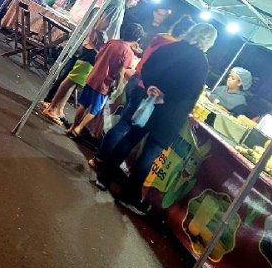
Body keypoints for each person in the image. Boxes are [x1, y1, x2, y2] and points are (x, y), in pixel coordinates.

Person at [104, 23, 218, 215]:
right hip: (170, 114)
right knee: (149, 154)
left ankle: (104, 176)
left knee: (130, 138)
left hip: (149, 103)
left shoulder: (171, 47)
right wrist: (165, 96)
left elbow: (148, 67)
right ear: (209, 42)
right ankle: (128, 195)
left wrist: (151, 87)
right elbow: (190, 92)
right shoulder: (201, 62)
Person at [89, 15, 195, 177]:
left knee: (123, 123)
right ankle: (103, 160)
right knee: (127, 128)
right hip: (146, 88)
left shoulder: (160, 37)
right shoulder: (174, 46)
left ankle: (100, 157)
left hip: (136, 80)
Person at [42, 0, 145, 106]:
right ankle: (51, 104)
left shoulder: (117, 2)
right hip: (94, 47)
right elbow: (100, 28)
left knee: (75, 77)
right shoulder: (117, 4)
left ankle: (56, 106)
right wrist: (102, 47)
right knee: (73, 77)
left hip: (93, 46)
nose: (135, 4)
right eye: (136, 0)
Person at [66, 23, 144, 139]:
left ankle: (72, 127)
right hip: (104, 84)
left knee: (83, 104)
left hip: (93, 77)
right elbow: (120, 72)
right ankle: (79, 129)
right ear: (137, 39)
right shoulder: (128, 52)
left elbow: (98, 56)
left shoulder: (112, 42)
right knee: (95, 110)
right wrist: (117, 85)